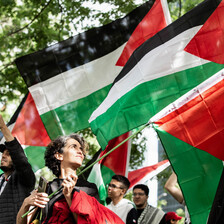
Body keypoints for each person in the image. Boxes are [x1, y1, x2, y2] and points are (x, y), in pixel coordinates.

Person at [17, 133, 124, 224]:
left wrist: (69, 197)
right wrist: (26, 203)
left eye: (81, 149)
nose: (80, 152)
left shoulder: (89, 188)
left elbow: (89, 221)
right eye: (74, 147)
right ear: (59, 155)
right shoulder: (46, 188)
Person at [0, 114, 35, 224]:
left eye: (8, 154)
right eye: (3, 153)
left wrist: (3, 127)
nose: (3, 156)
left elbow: (21, 161)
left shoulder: (24, 178)